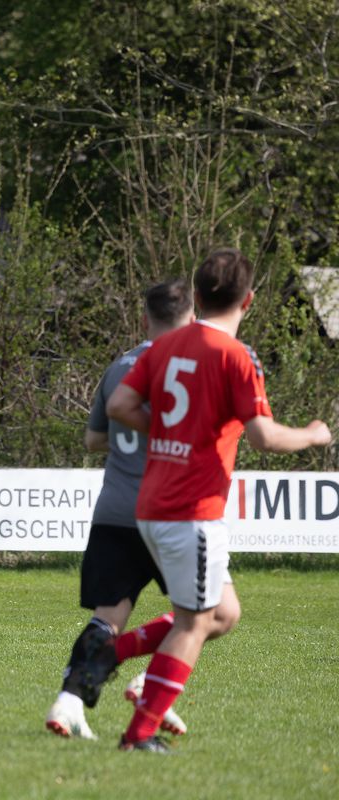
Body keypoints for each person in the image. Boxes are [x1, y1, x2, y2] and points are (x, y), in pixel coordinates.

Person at [107, 248, 331, 752]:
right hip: (191, 509)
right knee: (194, 623)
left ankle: (114, 651)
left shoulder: (163, 346)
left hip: (153, 503)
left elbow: (121, 405)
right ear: (248, 300)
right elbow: (264, 438)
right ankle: (139, 734)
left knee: (223, 613)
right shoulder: (236, 356)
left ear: (198, 294)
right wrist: (314, 435)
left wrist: (168, 432)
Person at [46, 279, 194, 741]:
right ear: (191, 316)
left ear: (144, 317)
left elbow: (93, 440)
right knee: (205, 615)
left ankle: (69, 701)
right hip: (170, 511)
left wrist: (130, 444)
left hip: (115, 510)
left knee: (108, 617)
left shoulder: (119, 366)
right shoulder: (188, 366)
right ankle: (151, 686)